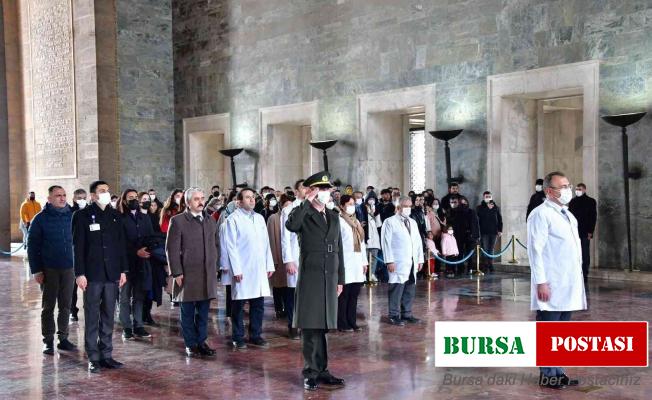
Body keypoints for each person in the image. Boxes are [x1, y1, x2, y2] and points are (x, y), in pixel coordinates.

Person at [285, 171, 345, 391]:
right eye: (321, 189)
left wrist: (341, 278)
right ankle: (310, 372)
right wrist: (306, 202)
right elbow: (291, 226)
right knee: (311, 327)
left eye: (328, 189)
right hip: (311, 276)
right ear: (312, 191)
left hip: (329, 276)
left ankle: (323, 370)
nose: (326, 193)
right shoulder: (302, 213)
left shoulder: (334, 216)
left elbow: (339, 250)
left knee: (323, 327)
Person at [527, 171, 585, 390]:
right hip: (551, 282)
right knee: (548, 329)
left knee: (560, 331)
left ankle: (559, 372)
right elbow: (536, 250)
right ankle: (547, 374)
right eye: (562, 187)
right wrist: (541, 281)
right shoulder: (540, 214)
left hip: (567, 282)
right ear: (549, 191)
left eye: (568, 186)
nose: (568, 190)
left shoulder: (567, 214)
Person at [73, 180, 128, 373]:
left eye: (107, 190)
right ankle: (93, 357)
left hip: (112, 273)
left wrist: (123, 270)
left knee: (108, 315)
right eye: (102, 191)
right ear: (93, 195)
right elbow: (78, 248)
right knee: (92, 314)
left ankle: (107, 354)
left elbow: (121, 245)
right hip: (92, 274)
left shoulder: (115, 215)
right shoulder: (81, 216)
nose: (106, 193)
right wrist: (79, 273)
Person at [166, 187, 218, 357]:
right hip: (187, 273)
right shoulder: (178, 221)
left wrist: (215, 267)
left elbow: (215, 245)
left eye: (202, 198)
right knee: (187, 312)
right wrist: (176, 272)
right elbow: (171, 249)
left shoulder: (210, 220)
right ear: (188, 202)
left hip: (206, 273)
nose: (201, 202)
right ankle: (190, 343)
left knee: (203, 312)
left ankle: (201, 341)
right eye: (196, 199)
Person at [223, 188, 275, 349]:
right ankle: (237, 336)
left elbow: (266, 243)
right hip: (243, 268)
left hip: (258, 267)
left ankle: (256, 334)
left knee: (258, 303)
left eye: (253, 197)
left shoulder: (259, 218)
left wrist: (269, 264)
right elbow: (230, 246)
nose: (252, 200)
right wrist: (236, 269)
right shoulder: (232, 220)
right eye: (247, 198)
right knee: (238, 304)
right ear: (239, 202)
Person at [28, 186, 77, 355]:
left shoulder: (73, 216)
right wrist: (36, 270)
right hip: (49, 269)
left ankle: (63, 338)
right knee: (48, 306)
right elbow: (32, 246)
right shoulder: (40, 219)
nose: (62, 198)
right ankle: (48, 340)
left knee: (66, 305)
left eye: (64, 195)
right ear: (49, 199)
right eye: (58, 196)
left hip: (69, 268)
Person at [381, 197, 424, 326]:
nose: (408, 208)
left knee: (410, 287)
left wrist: (420, 259)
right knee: (396, 287)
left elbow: (417, 242)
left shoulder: (413, 222)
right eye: (405, 206)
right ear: (398, 207)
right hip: (397, 260)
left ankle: (407, 314)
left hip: (411, 261)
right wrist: (389, 261)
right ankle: (394, 315)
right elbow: (386, 242)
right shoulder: (390, 222)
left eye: (410, 206)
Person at [118, 190, 154, 340]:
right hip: (125, 263)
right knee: (125, 297)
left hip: (142, 262)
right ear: (124, 200)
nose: (133, 200)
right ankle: (126, 327)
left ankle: (138, 325)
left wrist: (146, 249)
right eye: (130, 198)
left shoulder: (144, 218)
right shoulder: (119, 218)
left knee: (139, 296)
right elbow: (119, 241)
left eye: (135, 197)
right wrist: (135, 251)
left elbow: (151, 236)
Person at [337, 195, 367, 332]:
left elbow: (362, 244)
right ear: (342, 206)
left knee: (354, 294)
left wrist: (364, 262)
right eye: (349, 204)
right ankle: (342, 323)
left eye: (353, 204)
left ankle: (352, 321)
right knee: (344, 295)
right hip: (345, 263)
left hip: (357, 263)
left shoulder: (356, 222)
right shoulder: (339, 221)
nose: (352, 206)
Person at [267, 194, 293, 333]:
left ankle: (288, 310)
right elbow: (272, 239)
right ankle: (279, 308)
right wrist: (275, 260)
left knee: (288, 287)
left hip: (290, 259)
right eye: (286, 204)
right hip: (278, 256)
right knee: (278, 286)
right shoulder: (273, 218)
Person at [568, 183, 597, 280]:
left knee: (584, 253)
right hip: (574, 232)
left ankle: (584, 273)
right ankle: (576, 272)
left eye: (579, 189)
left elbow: (593, 217)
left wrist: (590, 231)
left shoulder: (591, 201)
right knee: (574, 253)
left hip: (585, 231)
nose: (577, 191)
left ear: (584, 190)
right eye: (576, 189)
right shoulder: (572, 201)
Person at [447, 196, 479, 275]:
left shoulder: (471, 211)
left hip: (469, 235)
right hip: (458, 235)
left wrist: (476, 235)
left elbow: (475, 224)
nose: (463, 203)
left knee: (469, 253)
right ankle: (460, 268)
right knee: (459, 252)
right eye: (462, 202)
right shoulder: (455, 212)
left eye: (465, 202)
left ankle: (470, 268)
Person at [70, 188, 88, 321]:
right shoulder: (70, 212)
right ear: (74, 199)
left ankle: (90, 308)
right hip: (74, 253)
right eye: (79, 198)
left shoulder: (90, 212)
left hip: (89, 254)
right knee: (72, 286)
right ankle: (73, 310)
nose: (81, 200)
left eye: (83, 197)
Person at [476, 191, 503, 273]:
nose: (488, 198)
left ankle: (490, 264)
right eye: (486, 196)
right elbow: (479, 218)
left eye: (489, 196)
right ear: (483, 197)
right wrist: (487, 208)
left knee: (491, 249)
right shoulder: (480, 207)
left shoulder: (496, 207)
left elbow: (500, 219)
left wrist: (500, 230)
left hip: (494, 232)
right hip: (484, 232)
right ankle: (485, 265)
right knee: (485, 249)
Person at [364, 196, 381, 283]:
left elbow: (378, 225)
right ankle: (363, 275)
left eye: (373, 199)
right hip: (366, 239)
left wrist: (375, 214)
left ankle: (372, 274)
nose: (371, 201)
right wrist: (368, 212)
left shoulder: (376, 211)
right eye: (370, 199)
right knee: (365, 258)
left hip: (375, 240)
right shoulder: (363, 210)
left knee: (374, 258)